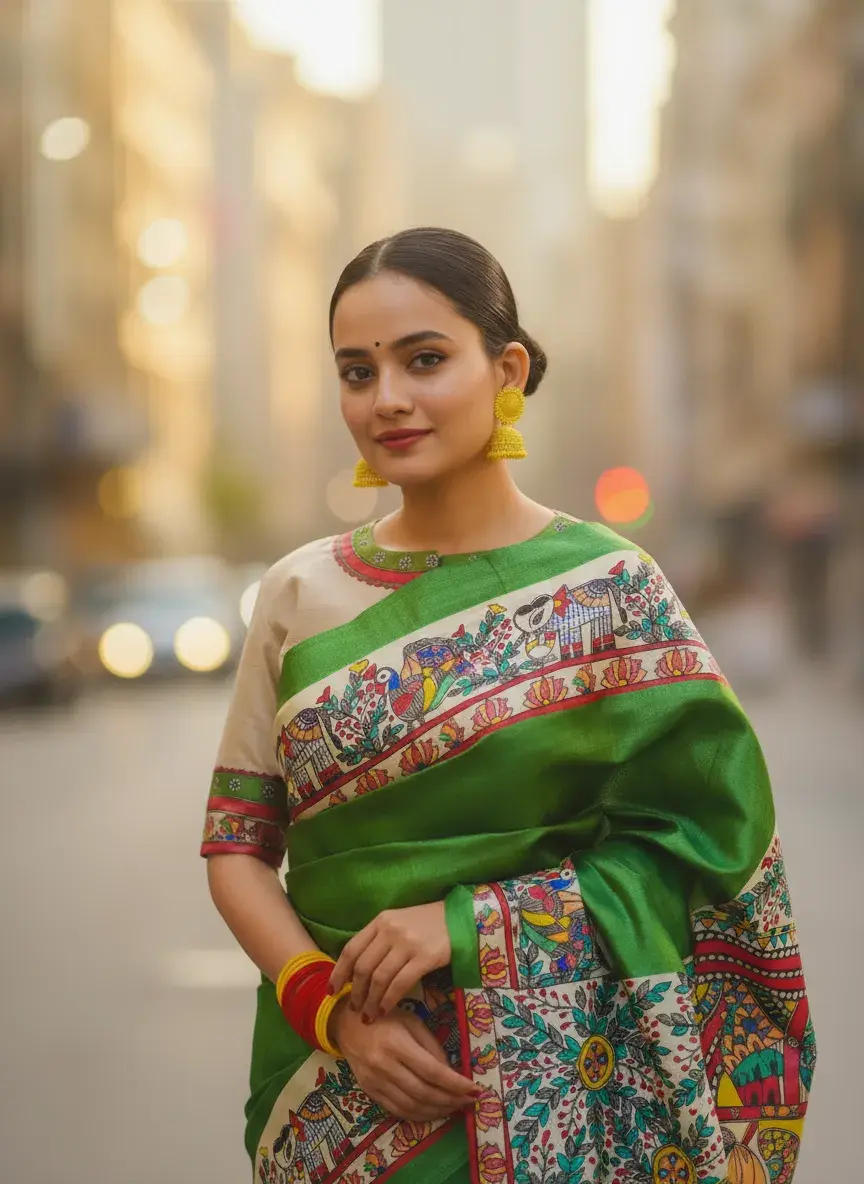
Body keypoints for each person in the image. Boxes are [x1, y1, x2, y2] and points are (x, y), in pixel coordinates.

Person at [202, 228, 815, 1184]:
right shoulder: (296, 595)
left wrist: (465, 926)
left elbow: (711, 853)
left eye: (426, 360)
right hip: (341, 1097)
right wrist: (328, 1009)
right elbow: (239, 845)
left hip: (571, 1094)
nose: (388, 398)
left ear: (509, 369)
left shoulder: (611, 588)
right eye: (356, 372)